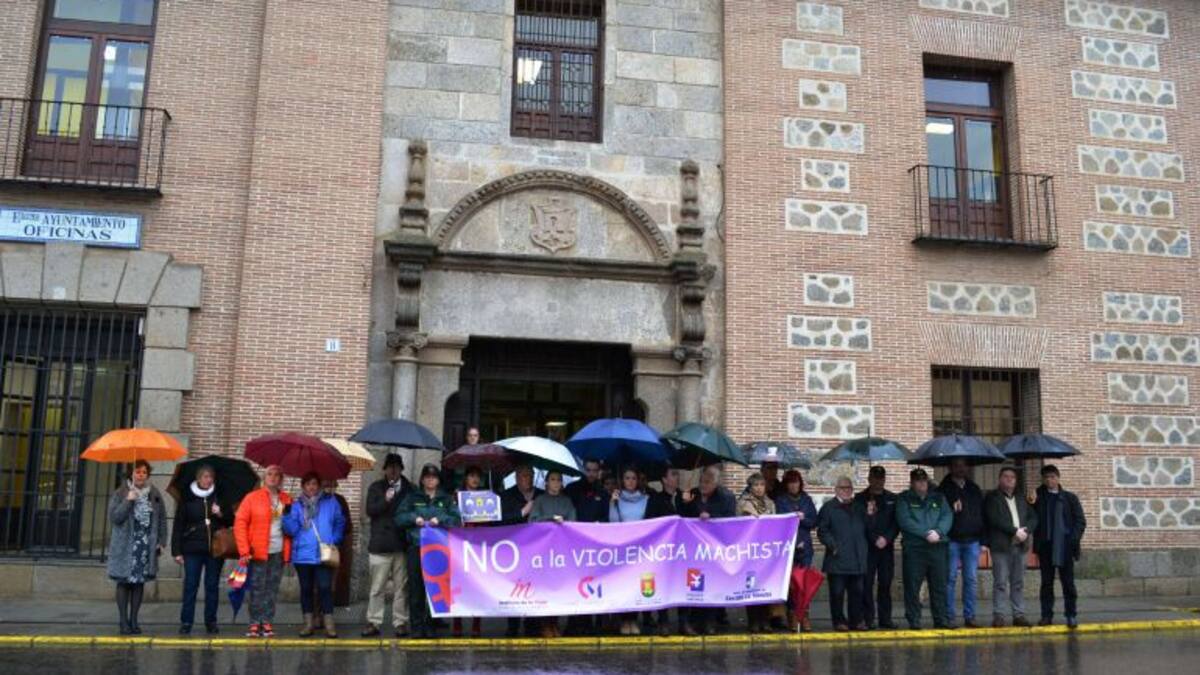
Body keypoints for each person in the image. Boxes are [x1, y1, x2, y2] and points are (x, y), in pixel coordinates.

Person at [395, 463, 461, 639]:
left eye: (433, 477)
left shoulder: (446, 499)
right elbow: (399, 518)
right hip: (416, 547)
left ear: (438, 480)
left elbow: (457, 519)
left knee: (435, 590)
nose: (430, 480)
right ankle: (416, 627)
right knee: (416, 590)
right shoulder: (412, 497)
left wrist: (440, 519)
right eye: (427, 477)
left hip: (438, 550)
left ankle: (431, 626)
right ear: (422, 480)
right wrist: (413, 518)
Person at [107, 459, 167, 635]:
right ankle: (123, 621)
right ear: (131, 474)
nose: (141, 475)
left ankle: (134, 620)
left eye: (144, 472)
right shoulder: (120, 492)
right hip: (126, 545)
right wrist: (128, 500)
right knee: (124, 582)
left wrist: (162, 541)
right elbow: (115, 518)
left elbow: (162, 519)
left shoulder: (154, 494)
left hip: (145, 545)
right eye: (137, 472)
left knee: (139, 582)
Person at [283, 473, 346, 638]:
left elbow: (340, 522)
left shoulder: (331, 502)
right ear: (303, 486)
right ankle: (308, 624)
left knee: (325, 587)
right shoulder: (296, 505)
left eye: (314, 484)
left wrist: (335, 539)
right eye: (308, 484)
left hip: (323, 554)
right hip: (303, 554)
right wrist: (287, 515)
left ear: (319, 486)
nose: (311, 487)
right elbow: (291, 530)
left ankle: (329, 625)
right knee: (306, 589)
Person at [234, 464, 292, 638]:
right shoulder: (252, 498)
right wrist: (244, 550)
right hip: (257, 551)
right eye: (269, 474)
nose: (273, 477)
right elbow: (240, 523)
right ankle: (254, 622)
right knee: (257, 587)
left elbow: (292, 525)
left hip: (278, 550)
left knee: (272, 588)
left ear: (281, 479)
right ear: (264, 477)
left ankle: (267, 621)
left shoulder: (287, 499)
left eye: (277, 475)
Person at [171, 464, 229, 635]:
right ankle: (186, 621)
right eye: (205, 476)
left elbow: (230, 522)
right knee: (191, 585)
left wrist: (220, 514)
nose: (208, 480)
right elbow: (178, 525)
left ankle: (211, 621)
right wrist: (177, 551)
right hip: (192, 549)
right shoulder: (187, 497)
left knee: (212, 586)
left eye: (211, 477)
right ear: (198, 479)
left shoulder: (219, 496)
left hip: (214, 550)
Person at [681, 465, 736, 635]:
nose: (703, 485)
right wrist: (685, 503)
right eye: (701, 481)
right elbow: (681, 517)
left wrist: (712, 518)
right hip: (693, 548)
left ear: (716, 483)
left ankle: (710, 621)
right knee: (694, 584)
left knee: (712, 584)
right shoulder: (692, 494)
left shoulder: (726, 497)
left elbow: (730, 520)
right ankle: (693, 620)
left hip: (714, 549)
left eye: (708, 482)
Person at [363, 454, 412, 638]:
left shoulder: (410, 489)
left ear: (401, 469)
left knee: (401, 588)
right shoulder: (376, 487)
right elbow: (370, 510)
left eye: (396, 467)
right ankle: (373, 621)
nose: (393, 470)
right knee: (377, 587)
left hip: (401, 545)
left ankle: (400, 622)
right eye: (390, 467)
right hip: (381, 544)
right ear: (384, 469)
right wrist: (386, 499)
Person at [897, 468, 952, 630]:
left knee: (939, 585)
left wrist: (938, 532)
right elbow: (905, 521)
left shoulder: (938, 498)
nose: (922, 484)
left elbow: (947, 516)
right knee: (913, 586)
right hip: (915, 548)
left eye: (924, 480)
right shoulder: (904, 498)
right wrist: (925, 534)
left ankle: (941, 619)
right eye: (918, 481)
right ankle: (914, 620)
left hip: (938, 547)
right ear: (912, 483)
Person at [1033, 464, 1086, 629]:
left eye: (1053, 477)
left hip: (1065, 547)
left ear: (1058, 478)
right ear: (1043, 480)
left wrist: (1072, 539)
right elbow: (1031, 517)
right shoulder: (1038, 497)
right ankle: (1046, 615)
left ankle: (1071, 615)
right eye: (1046, 477)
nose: (1050, 480)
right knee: (1046, 583)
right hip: (1046, 546)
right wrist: (1031, 499)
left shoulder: (1070, 498)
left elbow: (1080, 521)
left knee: (1068, 583)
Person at [984, 467, 1038, 628]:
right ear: (999, 479)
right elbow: (994, 518)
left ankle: (1019, 615)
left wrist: (1026, 530)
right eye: (1006, 476)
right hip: (1001, 546)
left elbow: (1033, 517)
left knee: (1018, 582)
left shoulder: (1021, 498)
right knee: (1000, 582)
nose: (1009, 479)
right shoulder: (992, 498)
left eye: (1012, 477)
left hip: (1020, 546)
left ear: (1016, 480)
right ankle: (999, 615)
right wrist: (1014, 531)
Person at [563, 459, 608, 636]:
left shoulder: (603, 492)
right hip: (573, 543)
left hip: (595, 545)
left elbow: (607, 517)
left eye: (594, 470)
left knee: (593, 582)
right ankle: (573, 622)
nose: (591, 473)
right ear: (583, 470)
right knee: (574, 582)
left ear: (599, 472)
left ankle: (593, 623)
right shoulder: (571, 489)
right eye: (588, 470)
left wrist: (599, 523)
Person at [817, 476, 868, 631]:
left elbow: (868, 528)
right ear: (836, 489)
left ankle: (856, 620)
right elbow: (822, 531)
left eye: (849, 488)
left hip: (857, 558)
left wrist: (871, 515)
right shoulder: (828, 508)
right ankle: (839, 621)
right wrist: (833, 545)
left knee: (857, 592)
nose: (846, 491)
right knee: (837, 593)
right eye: (842, 488)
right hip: (837, 559)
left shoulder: (859, 507)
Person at [939, 458, 985, 628]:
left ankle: (970, 616)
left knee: (971, 580)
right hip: (951, 541)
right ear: (950, 467)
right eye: (957, 465)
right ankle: (949, 616)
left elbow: (982, 514)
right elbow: (938, 514)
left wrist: (983, 540)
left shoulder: (974, 488)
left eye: (964, 465)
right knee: (949, 579)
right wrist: (951, 509)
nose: (961, 468)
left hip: (973, 540)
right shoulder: (942, 489)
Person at [529, 470, 576, 638]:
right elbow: (533, 520)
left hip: (561, 551)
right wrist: (550, 518)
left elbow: (573, 521)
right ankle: (545, 624)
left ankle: (554, 623)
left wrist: (563, 522)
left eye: (558, 480)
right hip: (543, 551)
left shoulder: (567, 501)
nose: (556, 483)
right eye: (553, 479)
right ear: (546, 483)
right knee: (544, 587)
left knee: (557, 587)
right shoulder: (540, 500)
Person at [645, 468, 692, 635]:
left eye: (677, 474)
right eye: (673, 474)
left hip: (682, 550)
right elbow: (649, 522)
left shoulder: (685, 497)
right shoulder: (655, 499)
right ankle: (663, 620)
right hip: (664, 550)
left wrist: (687, 504)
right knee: (663, 583)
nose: (677, 477)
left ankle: (683, 622)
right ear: (664, 479)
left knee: (683, 584)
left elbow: (693, 521)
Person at [500, 464, 543, 637]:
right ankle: (513, 625)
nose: (528, 479)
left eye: (531, 475)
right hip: (514, 548)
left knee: (534, 586)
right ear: (517, 478)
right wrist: (523, 511)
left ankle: (531, 625)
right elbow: (500, 520)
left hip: (537, 548)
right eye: (525, 476)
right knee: (514, 587)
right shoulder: (507, 495)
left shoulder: (541, 494)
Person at [854, 465, 899, 630]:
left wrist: (887, 538)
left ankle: (885, 618)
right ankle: (868, 618)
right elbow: (859, 523)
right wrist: (874, 538)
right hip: (868, 547)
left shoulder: (892, 498)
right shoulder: (860, 498)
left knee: (885, 583)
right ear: (869, 479)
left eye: (881, 478)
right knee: (866, 584)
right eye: (875, 478)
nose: (878, 481)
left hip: (886, 548)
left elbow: (896, 523)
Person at [774, 469, 818, 631]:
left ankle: (804, 615)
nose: (794, 485)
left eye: (796, 482)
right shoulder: (781, 501)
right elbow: (779, 522)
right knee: (791, 584)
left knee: (804, 583)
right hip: (788, 547)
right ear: (786, 485)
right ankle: (792, 615)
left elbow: (814, 521)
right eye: (790, 482)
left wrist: (803, 518)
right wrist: (792, 516)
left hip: (805, 548)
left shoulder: (806, 500)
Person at [609, 467, 650, 635]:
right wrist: (612, 503)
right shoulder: (616, 499)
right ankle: (624, 620)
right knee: (624, 583)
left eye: (633, 478)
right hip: (622, 547)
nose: (630, 481)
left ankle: (633, 619)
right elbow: (613, 522)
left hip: (640, 547)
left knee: (636, 584)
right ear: (622, 480)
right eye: (627, 478)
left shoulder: (646, 499)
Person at [737, 473, 778, 633]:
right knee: (751, 584)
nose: (759, 488)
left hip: (766, 549)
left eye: (762, 485)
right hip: (750, 550)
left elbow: (776, 522)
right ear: (750, 487)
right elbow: (738, 524)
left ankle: (765, 620)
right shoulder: (744, 503)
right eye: (756, 485)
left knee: (765, 584)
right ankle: (753, 620)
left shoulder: (770, 503)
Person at [452, 465, 486, 638]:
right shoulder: (457, 496)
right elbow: (451, 517)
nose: (475, 479)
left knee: (477, 585)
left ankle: (476, 624)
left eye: (477, 476)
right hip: (459, 544)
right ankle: (457, 622)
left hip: (478, 546)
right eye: (471, 475)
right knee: (458, 585)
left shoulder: (485, 496)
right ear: (465, 478)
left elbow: (491, 520)